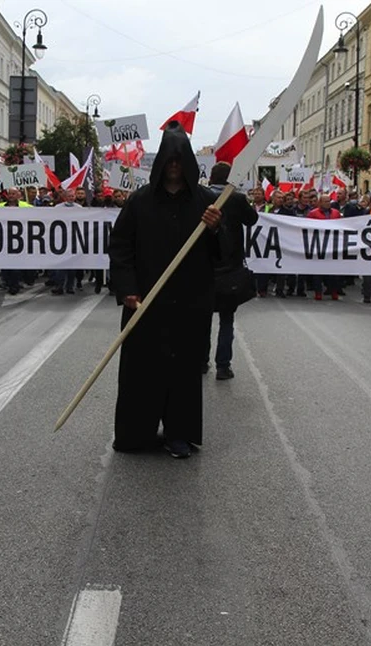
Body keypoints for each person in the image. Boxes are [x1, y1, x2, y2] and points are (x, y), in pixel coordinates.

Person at [108, 122, 223, 459]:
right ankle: (136, 433)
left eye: (179, 161)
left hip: (189, 303)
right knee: (141, 371)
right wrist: (127, 289)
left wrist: (217, 230)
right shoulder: (140, 201)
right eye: (169, 161)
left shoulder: (207, 203)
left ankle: (179, 434)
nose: (174, 167)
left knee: (184, 372)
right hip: (146, 302)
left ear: (186, 163)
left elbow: (224, 252)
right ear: (162, 164)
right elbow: (120, 247)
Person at [204, 161, 257, 380]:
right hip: (231, 268)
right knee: (227, 319)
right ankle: (223, 366)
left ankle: (201, 361)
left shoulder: (202, 196)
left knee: (203, 318)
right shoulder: (235, 198)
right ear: (229, 179)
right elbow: (252, 219)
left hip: (205, 266)